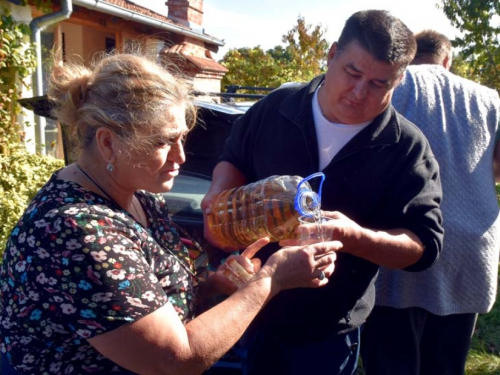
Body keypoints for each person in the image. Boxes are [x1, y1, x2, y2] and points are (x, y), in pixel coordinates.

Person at [0, 53, 340, 375]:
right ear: (108, 143)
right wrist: (272, 279)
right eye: (165, 141)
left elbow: (152, 296)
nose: (181, 156)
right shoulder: (74, 232)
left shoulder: (140, 199)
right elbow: (176, 362)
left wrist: (211, 285)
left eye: (182, 138)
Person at [201, 10, 445, 375]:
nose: (360, 92)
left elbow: (423, 247)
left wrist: (352, 236)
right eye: (353, 73)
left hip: (330, 331)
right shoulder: (277, 107)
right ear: (332, 56)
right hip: (254, 310)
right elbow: (232, 157)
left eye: (379, 84)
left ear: (399, 79)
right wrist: (219, 193)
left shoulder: (406, 147)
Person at [361, 30, 500, 375]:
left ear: (408, 55)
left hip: (402, 241)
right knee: (447, 362)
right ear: (447, 60)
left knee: (392, 360)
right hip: (469, 248)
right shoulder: (489, 99)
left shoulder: (390, 86)